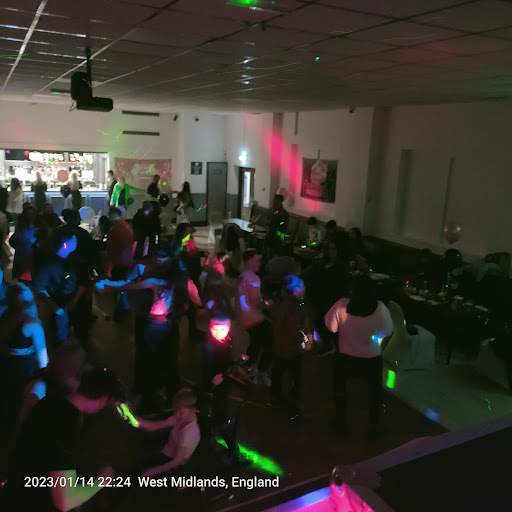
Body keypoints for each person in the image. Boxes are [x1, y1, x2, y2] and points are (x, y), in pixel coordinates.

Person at [3, 368, 121, 512]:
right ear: (103, 400)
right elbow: (65, 502)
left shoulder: (52, 401)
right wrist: (103, 480)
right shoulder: (64, 423)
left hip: (14, 494)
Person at [96, 259, 199, 412]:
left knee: (149, 361)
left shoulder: (157, 281)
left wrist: (106, 285)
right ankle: (168, 399)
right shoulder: (185, 283)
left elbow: (127, 286)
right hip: (168, 325)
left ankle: (149, 400)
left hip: (154, 326)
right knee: (167, 361)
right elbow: (197, 302)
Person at [325, 275, 394, 436]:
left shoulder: (341, 305)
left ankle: (340, 421)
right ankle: (374, 425)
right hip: (371, 358)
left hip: (345, 356)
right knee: (374, 391)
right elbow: (387, 331)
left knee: (339, 388)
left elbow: (331, 327)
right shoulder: (380, 308)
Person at [0, 283, 48, 435]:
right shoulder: (32, 324)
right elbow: (43, 358)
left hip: (5, 366)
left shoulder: (5, 315)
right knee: (19, 405)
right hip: (22, 370)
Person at [271, 276, 312, 421]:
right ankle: (293, 410)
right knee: (294, 379)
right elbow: (294, 330)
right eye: (302, 286)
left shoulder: (285, 304)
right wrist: (306, 339)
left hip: (281, 347)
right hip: (291, 349)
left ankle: (275, 398)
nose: (304, 288)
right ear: (295, 290)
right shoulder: (294, 307)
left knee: (278, 372)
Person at [32, 231, 83, 345]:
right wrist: (53, 306)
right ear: (65, 244)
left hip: (70, 298)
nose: (76, 242)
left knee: (66, 325)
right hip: (60, 302)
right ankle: (62, 348)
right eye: (74, 240)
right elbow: (38, 286)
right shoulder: (49, 263)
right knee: (61, 329)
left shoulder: (71, 258)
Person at [136, 389, 200, 477]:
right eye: (175, 410)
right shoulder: (179, 418)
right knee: (139, 467)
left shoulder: (190, 433)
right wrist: (135, 420)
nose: (176, 415)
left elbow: (176, 462)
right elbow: (155, 426)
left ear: (193, 410)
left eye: (181, 412)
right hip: (165, 454)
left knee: (144, 476)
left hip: (174, 466)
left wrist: (152, 472)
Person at [304, 240, 350, 357]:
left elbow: (341, 286)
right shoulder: (323, 263)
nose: (331, 251)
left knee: (329, 325)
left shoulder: (342, 267)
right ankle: (328, 345)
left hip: (331, 300)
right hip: (320, 298)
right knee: (319, 322)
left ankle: (332, 347)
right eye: (329, 248)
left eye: (334, 249)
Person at [238, 250, 272, 386]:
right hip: (254, 318)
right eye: (257, 260)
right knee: (271, 343)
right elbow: (256, 301)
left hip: (245, 318)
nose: (259, 263)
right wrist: (268, 303)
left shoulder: (242, 276)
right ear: (249, 261)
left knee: (256, 343)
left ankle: (247, 367)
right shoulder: (254, 278)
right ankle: (261, 373)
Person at [10, 205, 38, 281]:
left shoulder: (37, 226)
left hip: (30, 254)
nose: (30, 216)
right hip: (23, 254)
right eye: (29, 214)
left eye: (32, 214)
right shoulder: (21, 227)